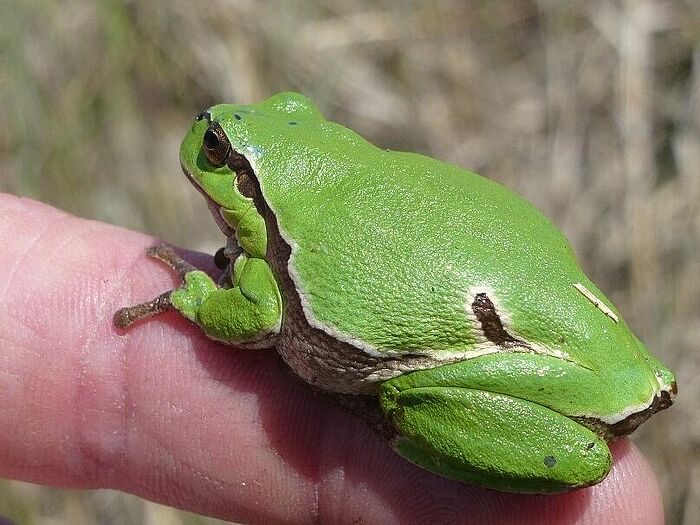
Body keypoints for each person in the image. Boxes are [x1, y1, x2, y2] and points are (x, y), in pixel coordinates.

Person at [0, 193, 664, 524]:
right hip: (547, 320)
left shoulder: (266, 267)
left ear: (250, 191)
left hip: (492, 357)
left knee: (406, 396)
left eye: (217, 157)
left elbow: (260, 316)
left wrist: (201, 298)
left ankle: (405, 416)